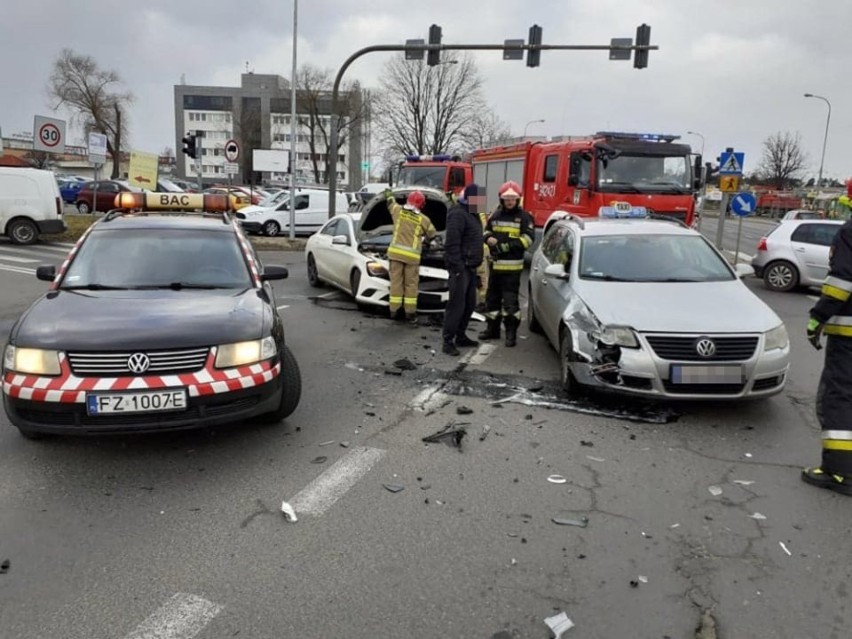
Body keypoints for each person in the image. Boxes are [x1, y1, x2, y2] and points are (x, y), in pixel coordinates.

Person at [803, 209, 852, 496]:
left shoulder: (849, 232)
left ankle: (839, 472)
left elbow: (841, 284)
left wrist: (817, 318)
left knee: (840, 397)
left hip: (848, 338)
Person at [479, 181, 534, 347]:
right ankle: (492, 330)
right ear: (501, 199)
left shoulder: (524, 217)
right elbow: (486, 230)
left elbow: (529, 239)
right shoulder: (496, 215)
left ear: (518, 199)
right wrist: (488, 238)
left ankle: (511, 334)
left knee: (510, 304)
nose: (509, 201)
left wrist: (506, 246)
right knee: (492, 301)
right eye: (506, 198)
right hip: (495, 268)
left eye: (513, 199)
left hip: (512, 269)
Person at [442, 183, 485, 355]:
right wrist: (458, 267)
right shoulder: (458, 214)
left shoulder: (472, 214)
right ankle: (448, 341)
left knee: (469, 305)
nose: (481, 203)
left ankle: (461, 335)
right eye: (479, 200)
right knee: (456, 306)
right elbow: (452, 243)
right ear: (470, 199)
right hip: (460, 268)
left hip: (470, 267)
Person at [384, 189, 436, 326]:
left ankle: (394, 311)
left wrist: (389, 195)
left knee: (396, 283)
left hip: (395, 254)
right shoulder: (423, 219)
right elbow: (432, 234)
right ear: (421, 205)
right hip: (412, 258)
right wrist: (426, 241)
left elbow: (390, 203)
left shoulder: (398, 211)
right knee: (410, 285)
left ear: (408, 200)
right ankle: (410, 313)